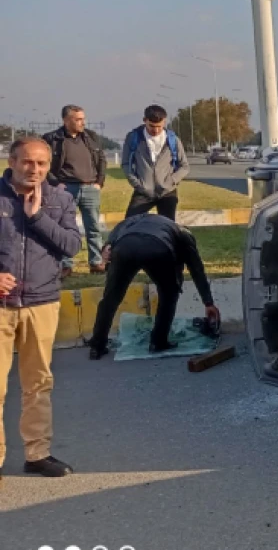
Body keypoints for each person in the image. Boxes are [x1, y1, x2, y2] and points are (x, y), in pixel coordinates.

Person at [0, 138, 82, 481]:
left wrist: (36, 218)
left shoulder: (59, 199)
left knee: (38, 383)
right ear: (12, 161)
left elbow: (72, 245)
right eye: (28, 163)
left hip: (42, 301)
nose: (35, 170)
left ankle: (37, 454)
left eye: (42, 164)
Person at [87, 213, 220, 359]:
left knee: (111, 298)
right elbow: (196, 270)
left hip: (125, 246)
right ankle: (158, 341)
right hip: (157, 248)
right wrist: (208, 302)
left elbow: (122, 224)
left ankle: (97, 345)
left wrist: (109, 244)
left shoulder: (143, 219)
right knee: (169, 294)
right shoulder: (184, 236)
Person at [43, 104, 108, 277]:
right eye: (77, 119)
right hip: (65, 188)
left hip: (90, 188)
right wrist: (55, 183)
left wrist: (99, 182)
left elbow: (101, 159)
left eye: (83, 119)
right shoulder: (52, 139)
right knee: (63, 227)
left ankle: (96, 262)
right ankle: (65, 264)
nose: (82, 123)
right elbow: (43, 165)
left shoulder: (90, 137)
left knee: (93, 227)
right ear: (65, 120)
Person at [121, 105, 189, 220]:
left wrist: (171, 181)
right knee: (130, 223)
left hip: (167, 192)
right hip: (143, 191)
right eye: (152, 126)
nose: (156, 130)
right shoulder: (133, 138)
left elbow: (185, 166)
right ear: (144, 120)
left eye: (159, 126)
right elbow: (125, 164)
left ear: (164, 121)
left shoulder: (173, 140)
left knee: (168, 228)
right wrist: (137, 184)